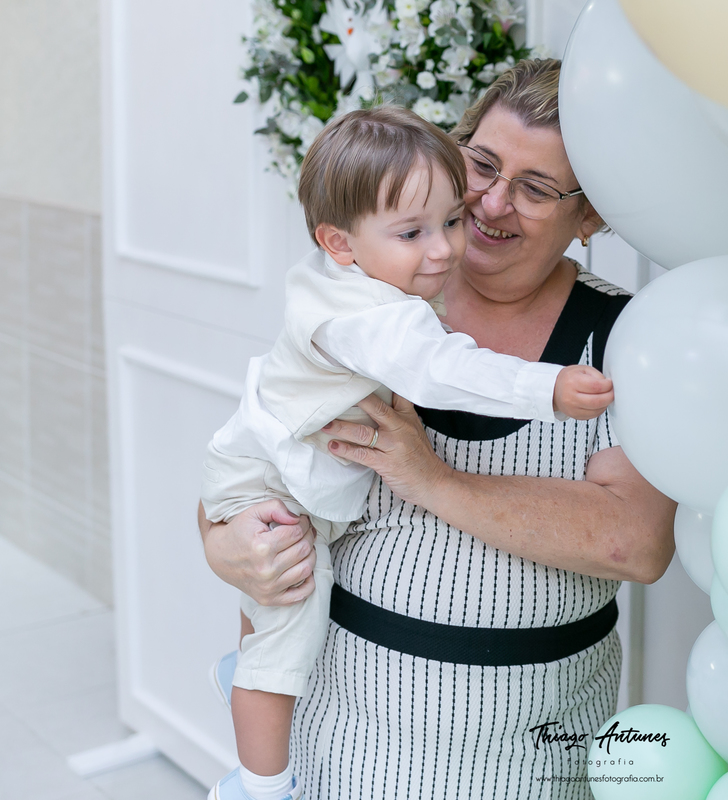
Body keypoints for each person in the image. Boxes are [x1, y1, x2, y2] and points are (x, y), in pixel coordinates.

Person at [199, 59, 676, 800]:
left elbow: (636, 544)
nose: (491, 201)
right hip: (343, 738)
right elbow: (262, 440)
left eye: (537, 188)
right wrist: (222, 542)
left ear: (590, 216)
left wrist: (433, 479)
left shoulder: (625, 336)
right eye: (481, 164)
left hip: (528, 753)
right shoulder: (373, 291)